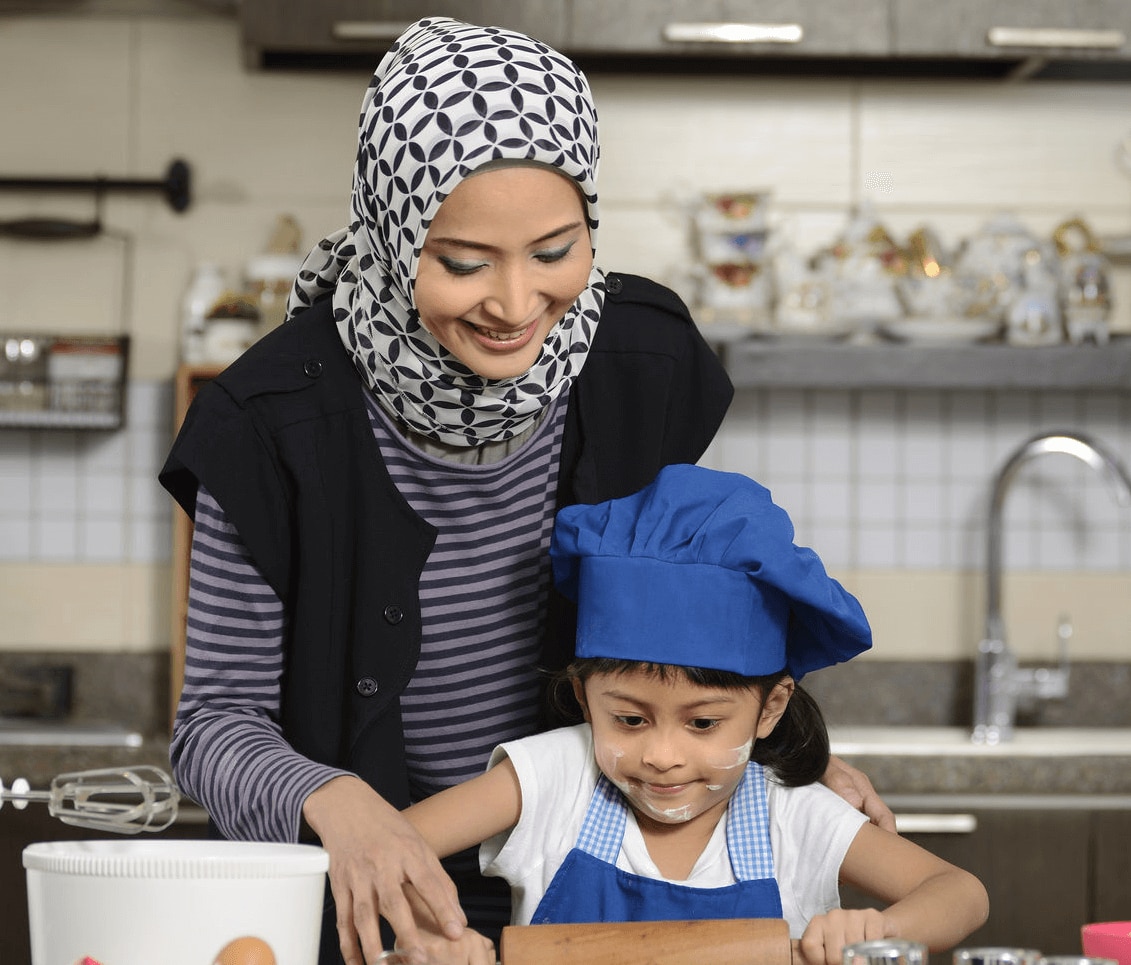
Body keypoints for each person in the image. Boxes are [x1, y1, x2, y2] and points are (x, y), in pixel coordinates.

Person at [159, 16, 894, 965]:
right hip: (371, 900)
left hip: (583, 912)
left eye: (555, 250)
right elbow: (214, 725)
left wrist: (766, 762)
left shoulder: (641, 363)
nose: (514, 306)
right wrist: (339, 804)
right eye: (463, 263)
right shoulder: (269, 421)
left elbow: (687, 628)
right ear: (390, 234)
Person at [402, 464, 990, 965]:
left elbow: (960, 892)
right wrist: (433, 935)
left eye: (703, 723)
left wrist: (877, 934)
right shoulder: (555, 779)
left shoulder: (790, 815)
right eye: (629, 720)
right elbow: (391, 847)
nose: (662, 755)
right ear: (584, 699)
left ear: (771, 709)